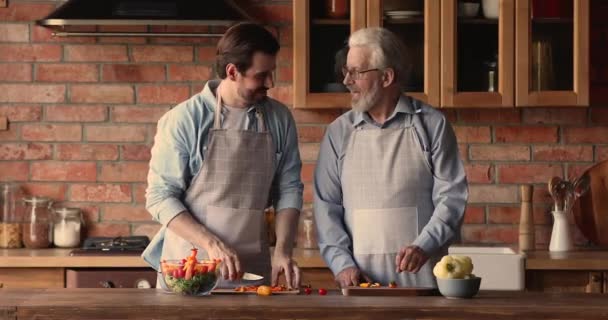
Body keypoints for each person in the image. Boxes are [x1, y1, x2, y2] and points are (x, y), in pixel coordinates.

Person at [143, 22, 303, 289]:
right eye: (261, 75)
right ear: (232, 72)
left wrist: (283, 251)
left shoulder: (279, 118)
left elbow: (289, 189)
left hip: (254, 272)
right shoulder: (184, 120)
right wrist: (212, 244)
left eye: (271, 73)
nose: (270, 83)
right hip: (190, 270)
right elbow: (159, 197)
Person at [314, 27, 468, 288]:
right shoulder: (338, 133)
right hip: (360, 287)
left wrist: (423, 245)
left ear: (386, 77)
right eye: (346, 71)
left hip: (423, 287)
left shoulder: (432, 126)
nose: (347, 81)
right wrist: (343, 265)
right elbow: (326, 207)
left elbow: (451, 198)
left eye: (357, 72)